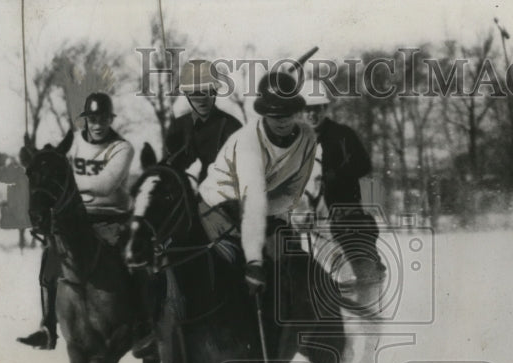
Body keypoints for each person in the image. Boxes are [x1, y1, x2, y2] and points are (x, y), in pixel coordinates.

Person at [17, 92, 151, 350]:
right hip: (78, 217)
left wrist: (63, 180)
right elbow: (51, 164)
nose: (97, 124)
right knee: (50, 259)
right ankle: (48, 327)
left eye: (103, 119)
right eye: (92, 119)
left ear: (110, 120)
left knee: (133, 260)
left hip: (113, 216)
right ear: (86, 120)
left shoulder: (122, 148)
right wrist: (34, 157)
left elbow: (105, 184)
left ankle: (144, 323)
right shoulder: (74, 142)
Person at [196, 71, 320, 300]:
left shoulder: (308, 137)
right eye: (274, 114)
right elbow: (253, 202)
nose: (282, 120)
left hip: (263, 206)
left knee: (292, 263)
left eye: (288, 113)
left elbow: (292, 192)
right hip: (220, 206)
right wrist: (254, 261)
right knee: (235, 268)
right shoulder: (248, 142)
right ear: (264, 113)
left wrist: (276, 215)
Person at [302, 92, 386, 285]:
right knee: (326, 270)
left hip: (346, 211)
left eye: (316, 109)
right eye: (307, 110)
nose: (312, 115)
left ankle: (369, 303)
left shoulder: (342, 134)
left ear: (324, 109)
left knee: (364, 268)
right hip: (314, 216)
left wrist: (337, 175)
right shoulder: (299, 139)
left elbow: (364, 165)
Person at [163, 59, 242, 180]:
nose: (201, 99)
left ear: (215, 92)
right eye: (195, 93)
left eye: (207, 92)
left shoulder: (232, 127)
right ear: (186, 94)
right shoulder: (177, 127)